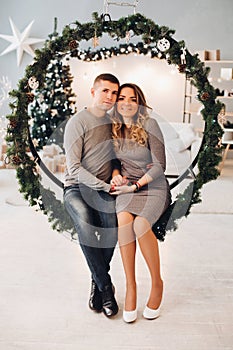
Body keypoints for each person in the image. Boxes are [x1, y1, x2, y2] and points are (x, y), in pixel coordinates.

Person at [110, 83, 171, 323]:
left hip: (152, 185)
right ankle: (131, 286)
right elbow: (115, 161)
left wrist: (135, 186)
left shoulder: (150, 125)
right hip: (128, 184)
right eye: (122, 98)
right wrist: (116, 174)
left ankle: (157, 282)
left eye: (132, 99)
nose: (126, 102)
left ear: (139, 103)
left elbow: (160, 166)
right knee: (124, 221)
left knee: (140, 225)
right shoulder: (113, 128)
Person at [63, 73, 120, 318]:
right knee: (85, 220)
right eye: (105, 91)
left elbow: (117, 157)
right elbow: (73, 167)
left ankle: (97, 281)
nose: (110, 97)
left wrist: (116, 173)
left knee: (112, 224)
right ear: (93, 92)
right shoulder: (78, 122)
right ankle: (106, 289)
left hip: (104, 188)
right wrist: (103, 186)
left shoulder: (112, 123)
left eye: (114, 93)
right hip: (76, 188)